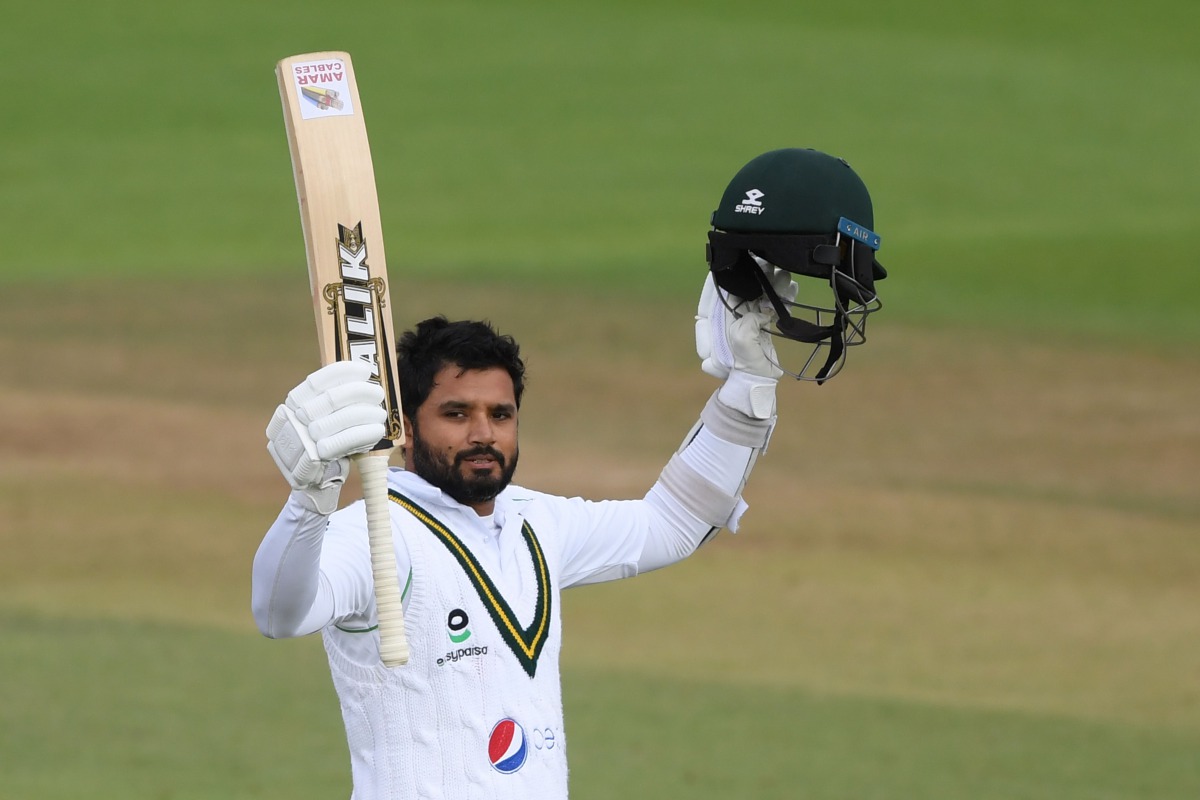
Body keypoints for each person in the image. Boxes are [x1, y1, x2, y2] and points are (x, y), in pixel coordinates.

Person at [251, 147, 885, 799]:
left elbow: (670, 523)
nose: (482, 433)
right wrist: (311, 496)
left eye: (500, 414)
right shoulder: (377, 535)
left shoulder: (536, 524)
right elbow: (279, 611)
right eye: (456, 413)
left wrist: (748, 387)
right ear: (405, 427)